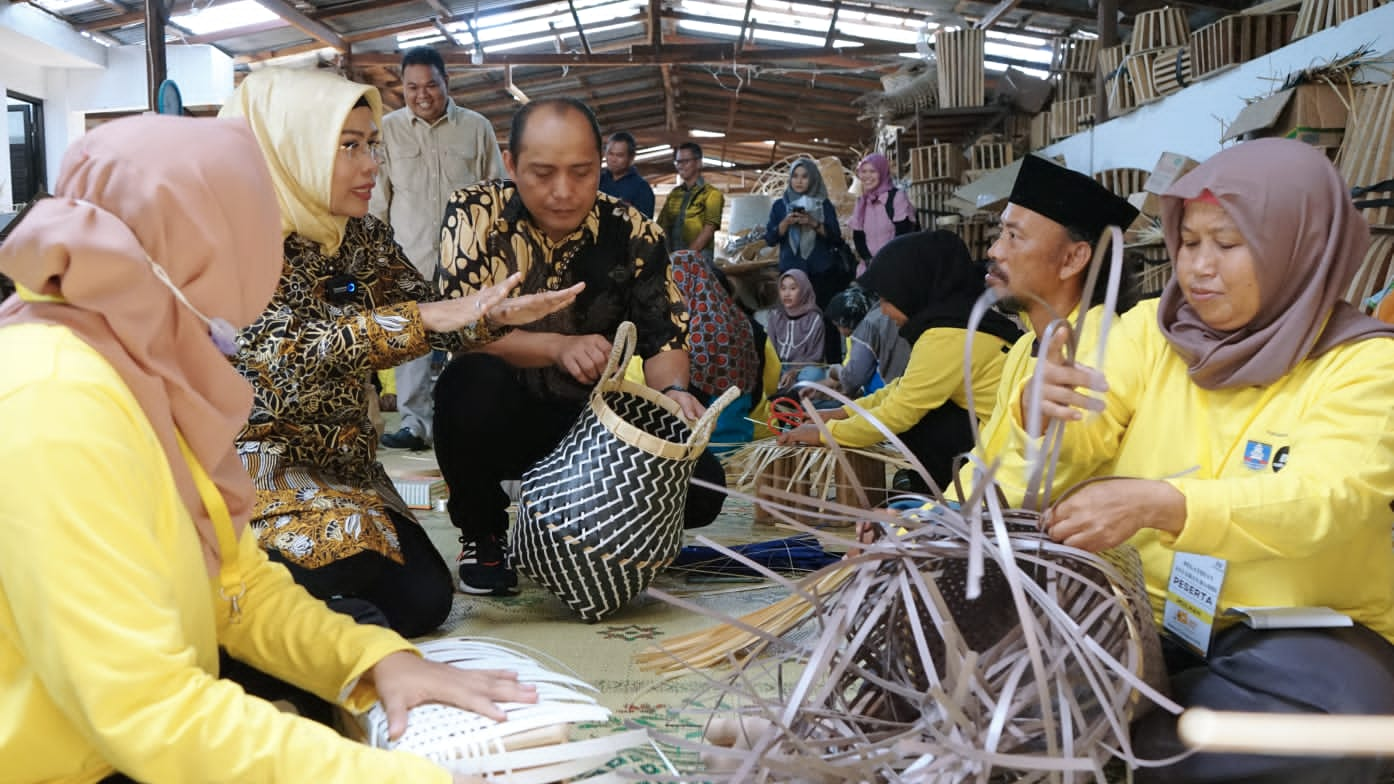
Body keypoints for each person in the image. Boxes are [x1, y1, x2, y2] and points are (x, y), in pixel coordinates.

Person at [0, 114, 535, 784]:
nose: (264, 268)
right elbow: (149, 713)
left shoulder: (136, 366)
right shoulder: (58, 406)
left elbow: (236, 585)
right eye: (250, 242)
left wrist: (370, 660)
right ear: (187, 249)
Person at [1017, 138, 1394, 783]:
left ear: (1298, 246)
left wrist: (1168, 505)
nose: (1199, 268)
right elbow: (1088, 433)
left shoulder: (1365, 364)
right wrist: (1046, 414)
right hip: (1141, 610)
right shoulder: (1146, 332)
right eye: (1189, 242)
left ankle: (1134, 754)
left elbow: (1333, 497)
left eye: (1228, 243)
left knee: (1349, 724)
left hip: (1291, 636)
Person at [220, 69, 580, 637]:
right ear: (292, 148)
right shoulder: (232, 244)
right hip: (260, 467)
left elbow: (428, 317)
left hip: (348, 466)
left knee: (423, 602)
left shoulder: (360, 236)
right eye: (348, 147)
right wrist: (429, 317)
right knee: (329, 569)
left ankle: (299, 625)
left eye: (372, 145)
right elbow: (286, 357)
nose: (371, 165)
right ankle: (252, 622)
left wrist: (488, 315)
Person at [433, 97, 729, 596]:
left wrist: (675, 391)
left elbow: (664, 336)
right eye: (543, 173)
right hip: (499, 416)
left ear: (602, 164)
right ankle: (482, 531)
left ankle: (589, 525)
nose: (563, 192)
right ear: (510, 163)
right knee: (467, 381)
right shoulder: (473, 215)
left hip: (591, 431)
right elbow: (458, 331)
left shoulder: (633, 230)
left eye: (582, 172)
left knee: (702, 484)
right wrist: (555, 346)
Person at [956, 154, 1140, 505]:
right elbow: (986, 462)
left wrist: (925, 530)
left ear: (1072, 259)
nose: (995, 250)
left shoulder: (1105, 351)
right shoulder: (1026, 347)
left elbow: (1037, 481)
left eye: (1014, 236)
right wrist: (916, 521)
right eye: (999, 233)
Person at [779, 231, 1021, 490]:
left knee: (921, 424)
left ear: (913, 290)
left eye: (887, 299)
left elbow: (899, 412)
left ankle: (940, 494)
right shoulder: (959, 321)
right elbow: (902, 388)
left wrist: (825, 434)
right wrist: (842, 412)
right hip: (999, 437)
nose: (882, 310)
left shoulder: (948, 336)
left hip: (1008, 454)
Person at [370, 46, 506, 451]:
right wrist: (377, 257)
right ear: (403, 88)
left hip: (467, 258)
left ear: (447, 82)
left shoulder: (476, 127)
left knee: (469, 340)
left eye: (431, 85)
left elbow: (496, 191)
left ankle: (465, 419)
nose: (422, 94)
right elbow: (379, 197)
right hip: (409, 255)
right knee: (413, 339)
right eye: (412, 87)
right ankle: (415, 425)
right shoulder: (389, 129)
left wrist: (494, 253)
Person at [764, 157, 846, 308]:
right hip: (791, 273)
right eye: (795, 176)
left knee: (822, 318)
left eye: (804, 176)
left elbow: (835, 238)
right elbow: (770, 239)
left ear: (813, 178)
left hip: (821, 272)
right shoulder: (780, 206)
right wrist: (786, 223)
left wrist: (812, 222)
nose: (799, 181)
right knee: (794, 318)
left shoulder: (824, 204)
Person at [822, 285, 910, 398]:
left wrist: (835, 371)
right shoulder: (878, 316)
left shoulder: (865, 330)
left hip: (885, 395)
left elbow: (854, 378)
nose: (839, 331)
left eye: (838, 325)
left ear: (847, 321)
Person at [847, 152, 916, 275]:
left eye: (873, 171)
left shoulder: (896, 197)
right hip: (870, 270)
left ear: (882, 172)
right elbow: (858, 237)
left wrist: (886, 262)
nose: (867, 176)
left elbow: (903, 234)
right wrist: (869, 261)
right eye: (864, 171)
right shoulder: (861, 202)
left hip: (896, 266)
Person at [657, 141, 724, 264]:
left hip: (700, 259)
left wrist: (684, 257)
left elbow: (708, 231)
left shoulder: (712, 194)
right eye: (678, 162)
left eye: (685, 161)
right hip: (672, 258)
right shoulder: (674, 194)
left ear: (698, 163)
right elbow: (661, 226)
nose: (680, 166)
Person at [768, 269, 826, 386]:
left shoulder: (814, 319)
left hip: (802, 371)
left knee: (814, 375)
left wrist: (794, 372)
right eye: (783, 288)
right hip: (777, 368)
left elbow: (815, 358)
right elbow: (770, 350)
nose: (787, 294)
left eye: (793, 288)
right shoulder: (775, 315)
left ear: (804, 291)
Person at [599, 130, 655, 218]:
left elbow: (644, 225)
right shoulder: (598, 180)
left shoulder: (641, 188)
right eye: (610, 154)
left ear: (631, 157)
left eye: (619, 155)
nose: (613, 159)